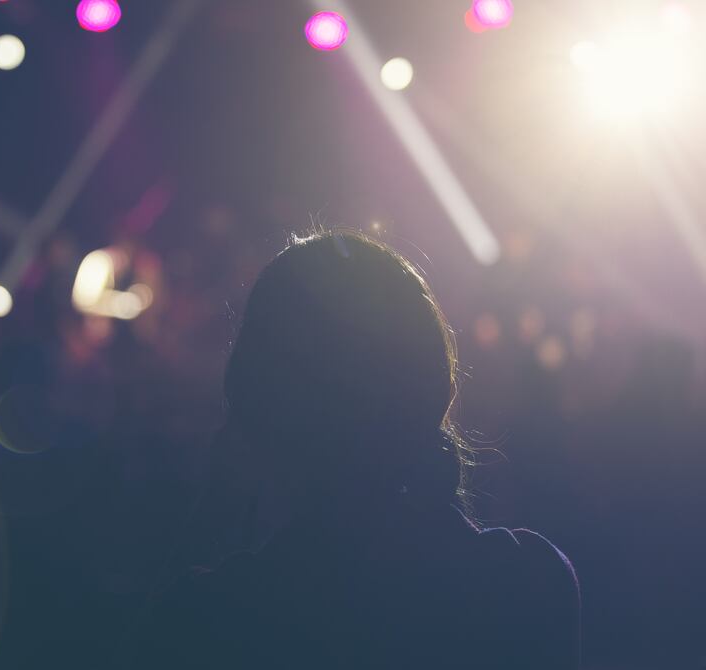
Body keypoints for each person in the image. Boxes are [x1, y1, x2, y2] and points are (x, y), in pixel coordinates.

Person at [131, 230, 580, 669]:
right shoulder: (532, 581)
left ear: (259, 403)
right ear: (432, 384)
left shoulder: (210, 620)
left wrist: (211, 508)